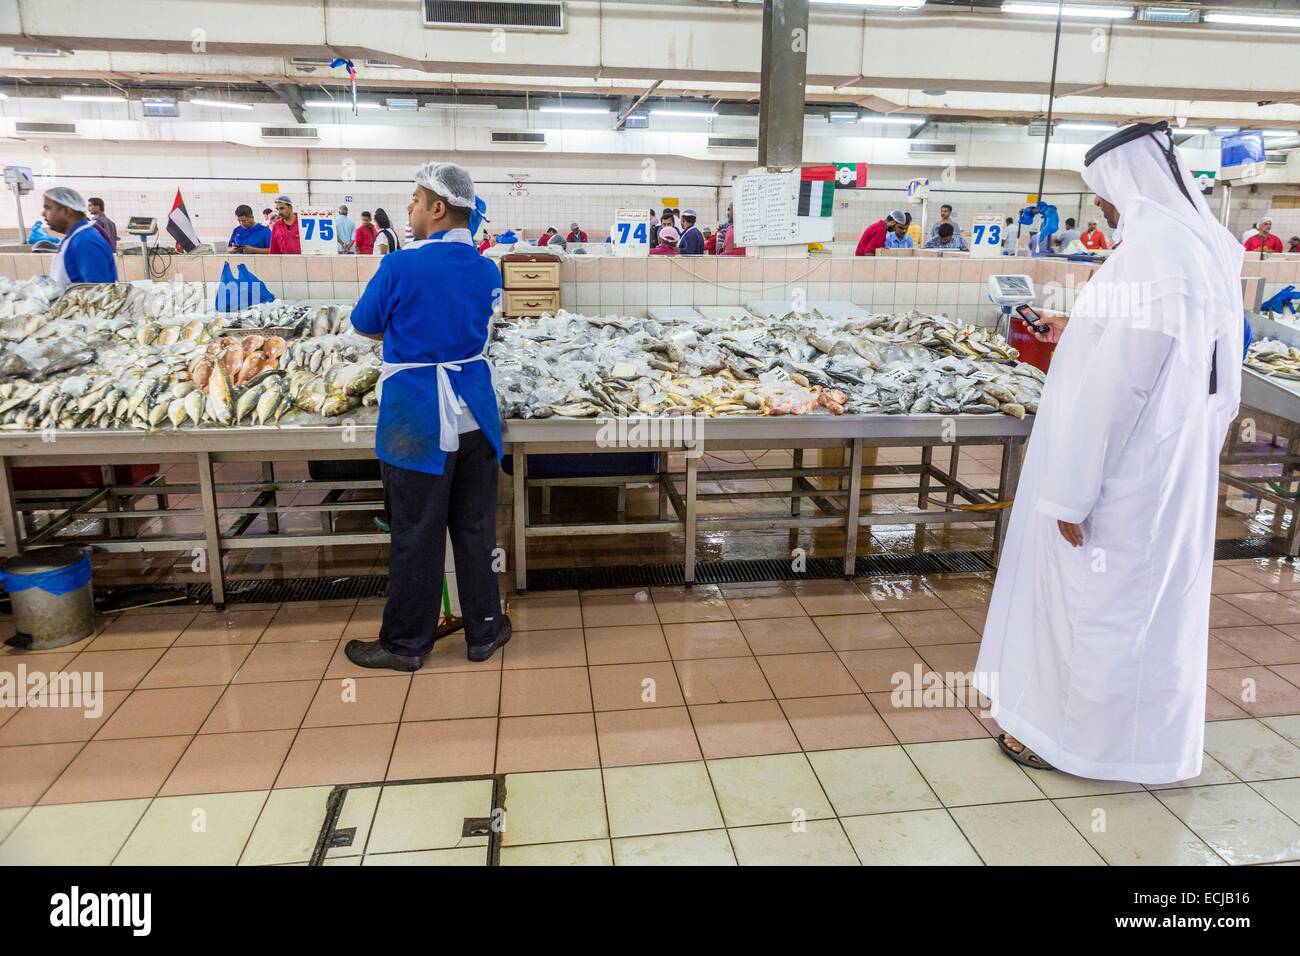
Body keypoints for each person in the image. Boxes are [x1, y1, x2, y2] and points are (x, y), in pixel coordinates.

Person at [975, 121, 1244, 784]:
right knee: (1147, 612)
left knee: (1098, 609)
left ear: (1130, 183)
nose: (1103, 209)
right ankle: (1139, 745)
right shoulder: (1201, 248)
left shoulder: (1152, 254)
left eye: (1105, 197)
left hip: (1122, 481)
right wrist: (1075, 328)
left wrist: (1072, 493)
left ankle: (1073, 744)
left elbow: (1116, 392)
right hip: (1169, 473)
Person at [345, 161, 511, 671]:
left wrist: (407, 336)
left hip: (419, 419)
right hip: (476, 416)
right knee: (476, 527)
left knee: (416, 533)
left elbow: (364, 324)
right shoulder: (486, 267)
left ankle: (405, 645)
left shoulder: (399, 266)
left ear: (438, 208)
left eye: (415, 200)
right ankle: (485, 629)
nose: (410, 209)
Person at [42, 186, 117, 285]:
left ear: (66, 211)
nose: (43, 214)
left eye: (48, 208)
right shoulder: (74, 237)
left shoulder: (85, 242)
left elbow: (97, 292)